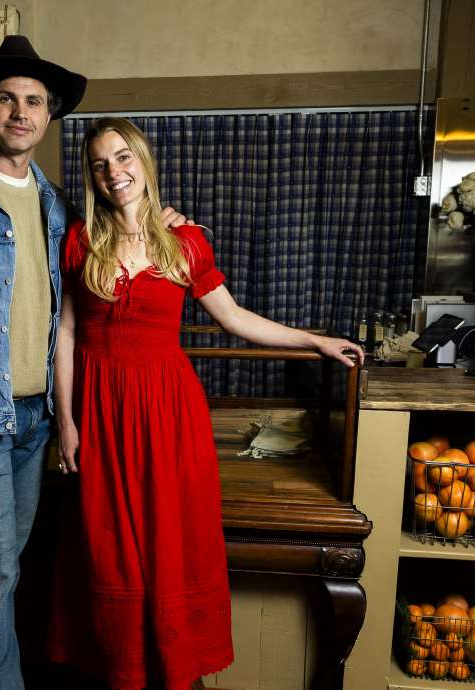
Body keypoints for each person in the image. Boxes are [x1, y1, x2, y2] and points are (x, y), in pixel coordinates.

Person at [0, 38, 186, 690]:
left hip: (37, 421)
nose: (20, 112)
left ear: (48, 116)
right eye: (6, 98)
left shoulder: (57, 208)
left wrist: (158, 221)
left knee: (1, 571)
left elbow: (107, 262)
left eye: (34, 102)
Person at [46, 117, 364, 690]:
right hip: (100, 412)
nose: (114, 172)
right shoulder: (80, 240)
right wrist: (65, 421)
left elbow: (236, 319)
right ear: (91, 178)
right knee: (105, 541)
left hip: (168, 412)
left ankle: (171, 667)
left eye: (123, 158)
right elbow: (65, 335)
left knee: (171, 538)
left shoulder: (184, 240)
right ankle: (120, 667)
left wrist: (314, 339)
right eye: (99, 164)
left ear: (143, 161)